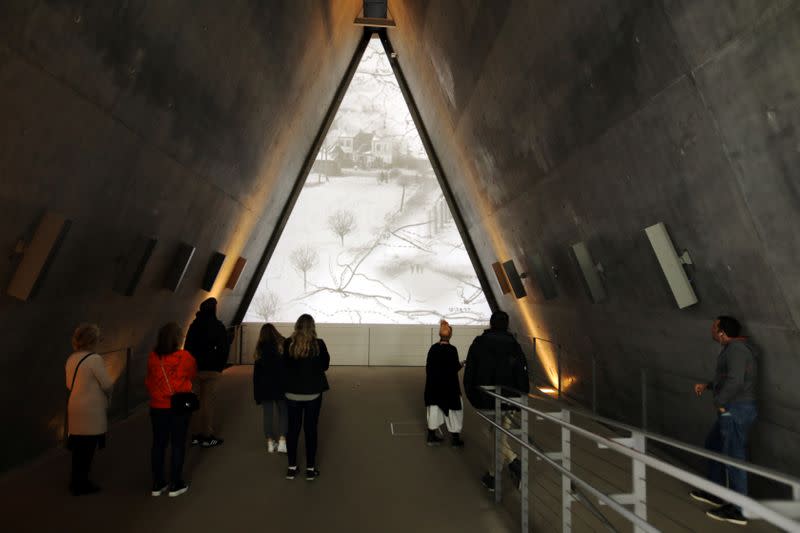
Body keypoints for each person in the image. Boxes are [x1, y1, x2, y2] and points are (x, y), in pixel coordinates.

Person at [690, 316, 758, 526]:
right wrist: (709, 386)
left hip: (735, 410)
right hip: (732, 407)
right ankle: (716, 491)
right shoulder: (732, 349)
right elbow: (727, 378)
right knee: (714, 444)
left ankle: (740, 510)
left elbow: (736, 381)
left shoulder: (737, 350)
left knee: (734, 457)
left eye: (714, 326)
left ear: (722, 332)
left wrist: (719, 402)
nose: (711, 329)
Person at [463, 310, 530, 491]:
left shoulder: (479, 343)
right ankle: (503, 469)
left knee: (493, 433)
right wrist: (521, 398)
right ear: (507, 325)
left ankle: (506, 467)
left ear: (491, 324)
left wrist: (473, 397)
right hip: (509, 400)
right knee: (498, 434)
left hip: (486, 400)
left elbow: (470, 374)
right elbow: (522, 373)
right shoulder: (514, 345)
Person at [145, 322, 197, 497]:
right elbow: (191, 374)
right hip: (178, 406)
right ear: (178, 338)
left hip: (158, 406)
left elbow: (149, 380)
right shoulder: (184, 357)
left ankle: (157, 483)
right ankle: (176, 483)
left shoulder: (153, 357)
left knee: (158, 445)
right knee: (177, 445)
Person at [64, 323, 113, 496]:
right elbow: (107, 384)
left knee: (78, 446)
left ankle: (75, 480)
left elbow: (69, 384)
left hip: (75, 404)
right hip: (91, 408)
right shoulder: (94, 359)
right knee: (88, 447)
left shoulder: (71, 358)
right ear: (93, 340)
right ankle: (82, 482)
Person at [282, 314, 330, 481]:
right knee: (311, 430)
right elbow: (325, 366)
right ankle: (310, 469)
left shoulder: (288, 343)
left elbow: (284, 367)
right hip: (312, 394)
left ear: (297, 326)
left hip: (292, 394)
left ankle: (291, 468)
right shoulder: (319, 344)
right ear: (313, 327)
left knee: (293, 430)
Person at [184, 297, 229, 448]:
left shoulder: (194, 326)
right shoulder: (218, 326)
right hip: (212, 370)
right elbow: (224, 349)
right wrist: (220, 366)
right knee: (208, 403)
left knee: (195, 402)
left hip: (195, 369)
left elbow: (187, 348)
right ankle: (207, 435)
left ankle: (195, 434)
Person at [424, 320, 465, 447]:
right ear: (450, 335)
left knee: (434, 410)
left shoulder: (433, 348)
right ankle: (455, 439)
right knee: (454, 411)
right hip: (450, 387)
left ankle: (431, 436)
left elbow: (428, 368)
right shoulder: (452, 350)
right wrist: (461, 364)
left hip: (434, 386)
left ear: (439, 334)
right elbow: (453, 369)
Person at [253, 323, 288, 454]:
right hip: (281, 385)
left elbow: (256, 376)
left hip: (264, 387)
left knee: (267, 415)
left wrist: (257, 395)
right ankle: (282, 441)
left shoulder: (259, 349)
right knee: (283, 412)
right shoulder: (283, 344)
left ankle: (269, 442)